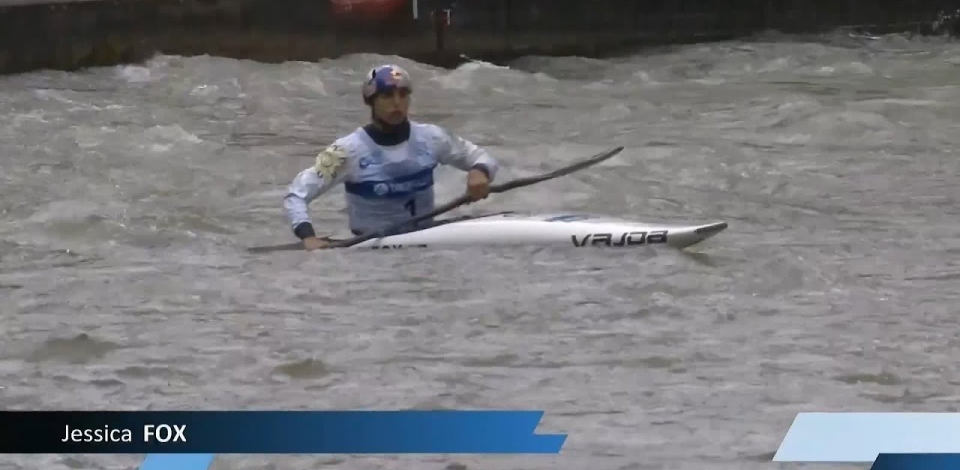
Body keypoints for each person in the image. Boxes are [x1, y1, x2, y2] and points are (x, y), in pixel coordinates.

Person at [282, 64, 500, 251]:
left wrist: (478, 173)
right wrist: (308, 237)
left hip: (427, 244)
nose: (397, 103)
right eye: (387, 96)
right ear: (371, 101)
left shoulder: (432, 137)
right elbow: (297, 195)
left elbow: (482, 157)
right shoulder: (345, 151)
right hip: (371, 251)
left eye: (403, 95)